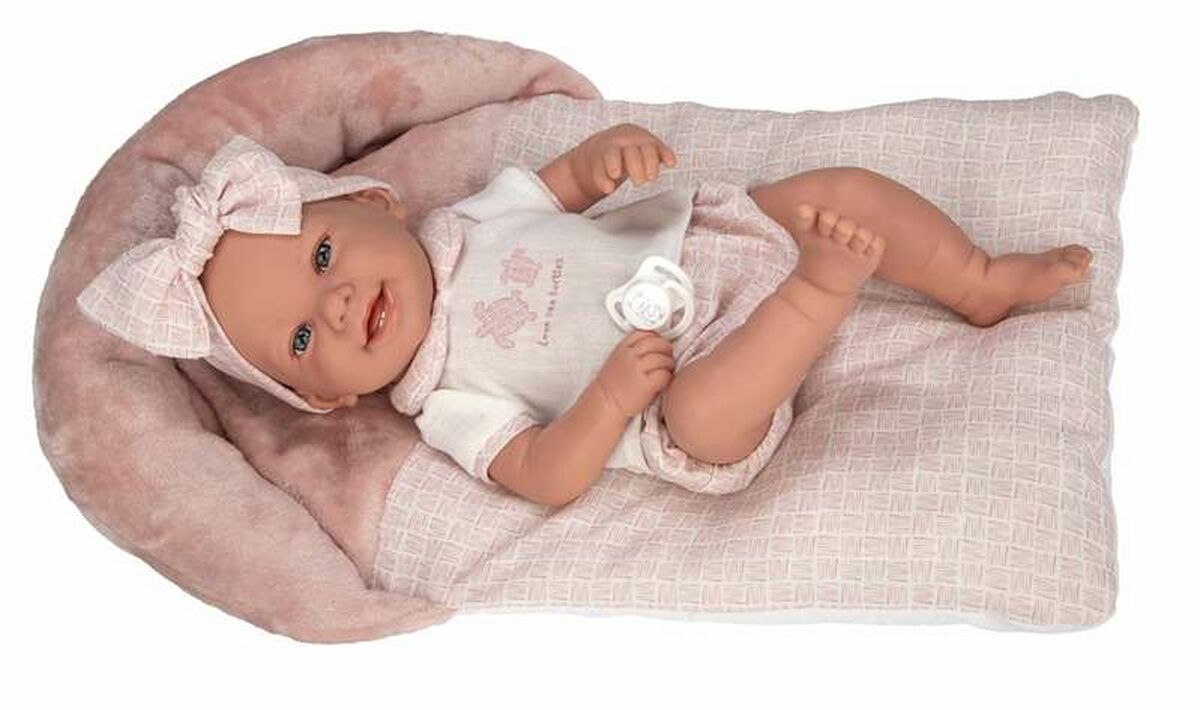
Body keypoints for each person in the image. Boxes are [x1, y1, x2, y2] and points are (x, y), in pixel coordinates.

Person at [78, 130, 1092, 507]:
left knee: (836, 191)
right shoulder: (442, 402)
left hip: (714, 241)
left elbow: (559, 187)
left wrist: (605, 163)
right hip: (685, 381)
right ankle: (820, 294)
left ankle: (976, 278)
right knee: (704, 418)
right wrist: (607, 403)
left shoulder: (470, 217)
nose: (336, 304)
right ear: (325, 398)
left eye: (323, 257)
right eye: (303, 338)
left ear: (376, 203)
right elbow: (545, 476)